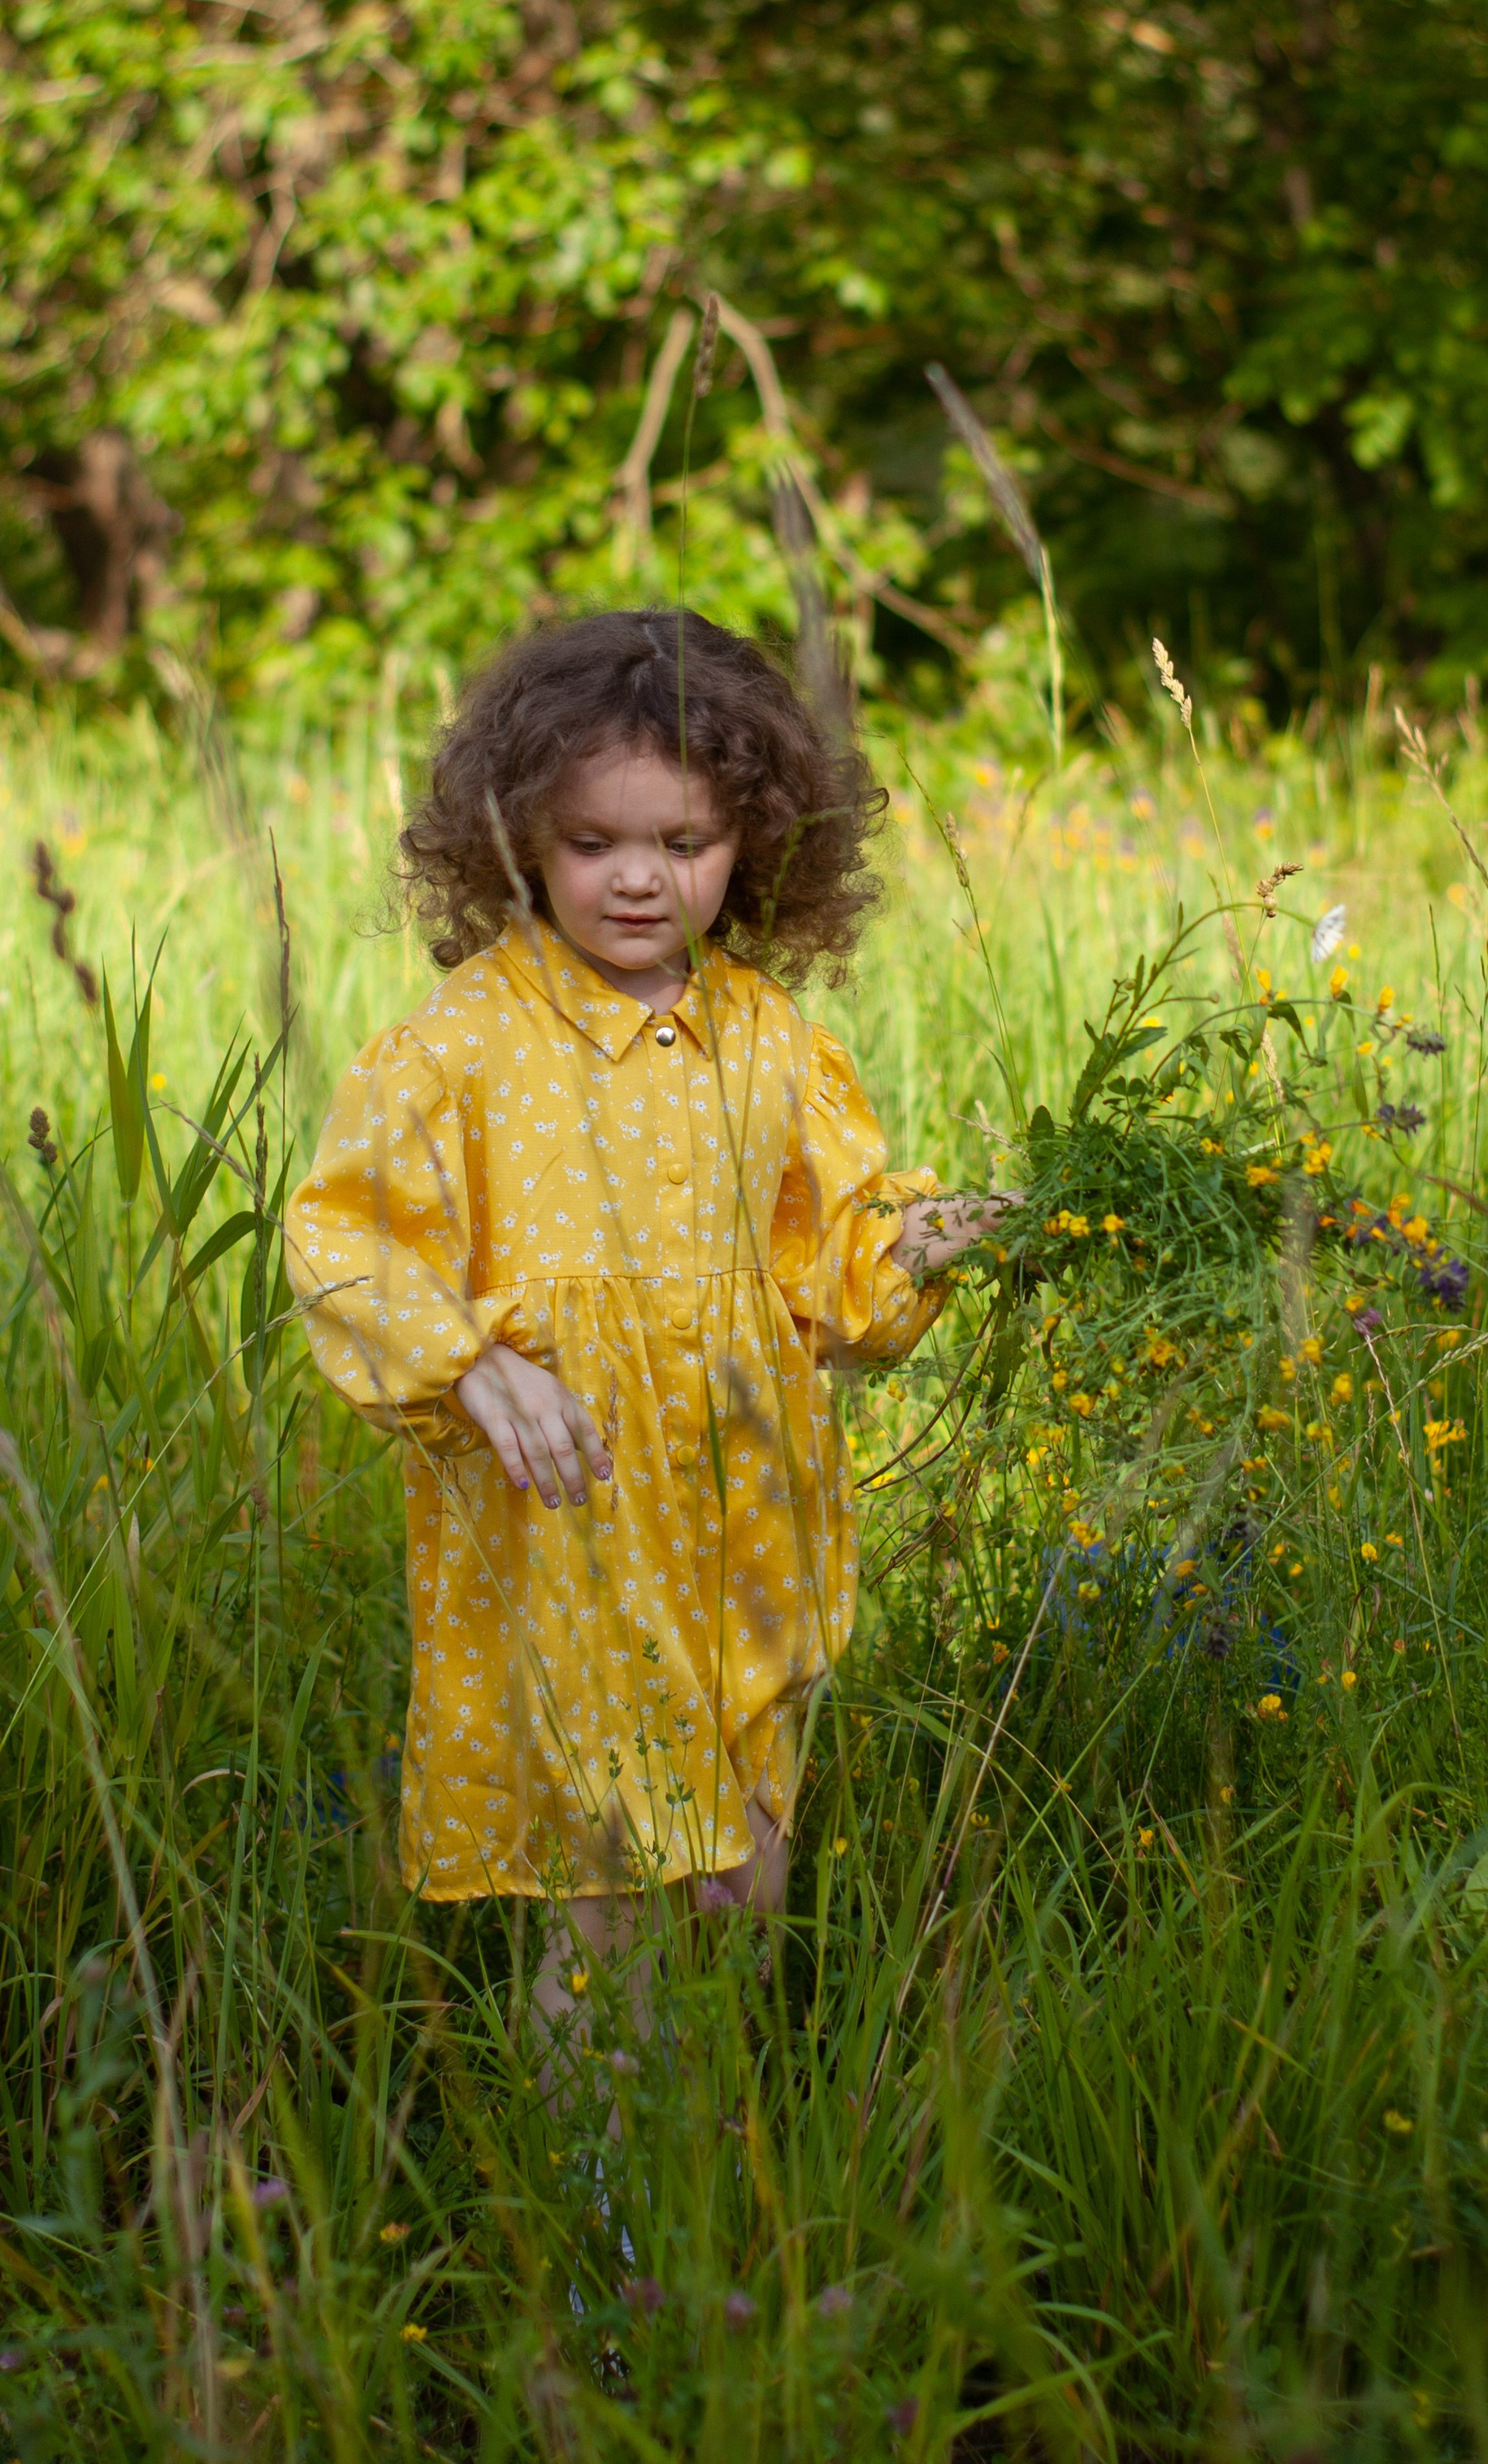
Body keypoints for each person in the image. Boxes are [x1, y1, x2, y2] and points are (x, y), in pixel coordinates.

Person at [284, 609, 1002, 2066]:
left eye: (681, 844)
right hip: (577, 1537)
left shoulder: (769, 1038)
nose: (636, 879)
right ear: (521, 843)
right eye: (594, 841)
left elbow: (839, 1278)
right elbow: (347, 1245)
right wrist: (474, 1364)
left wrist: (934, 1240)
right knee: (611, 1912)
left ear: (755, 841)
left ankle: (698, 2191)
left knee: (744, 1881)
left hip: (749, 1536)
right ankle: (605, 2239)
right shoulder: (462, 1045)